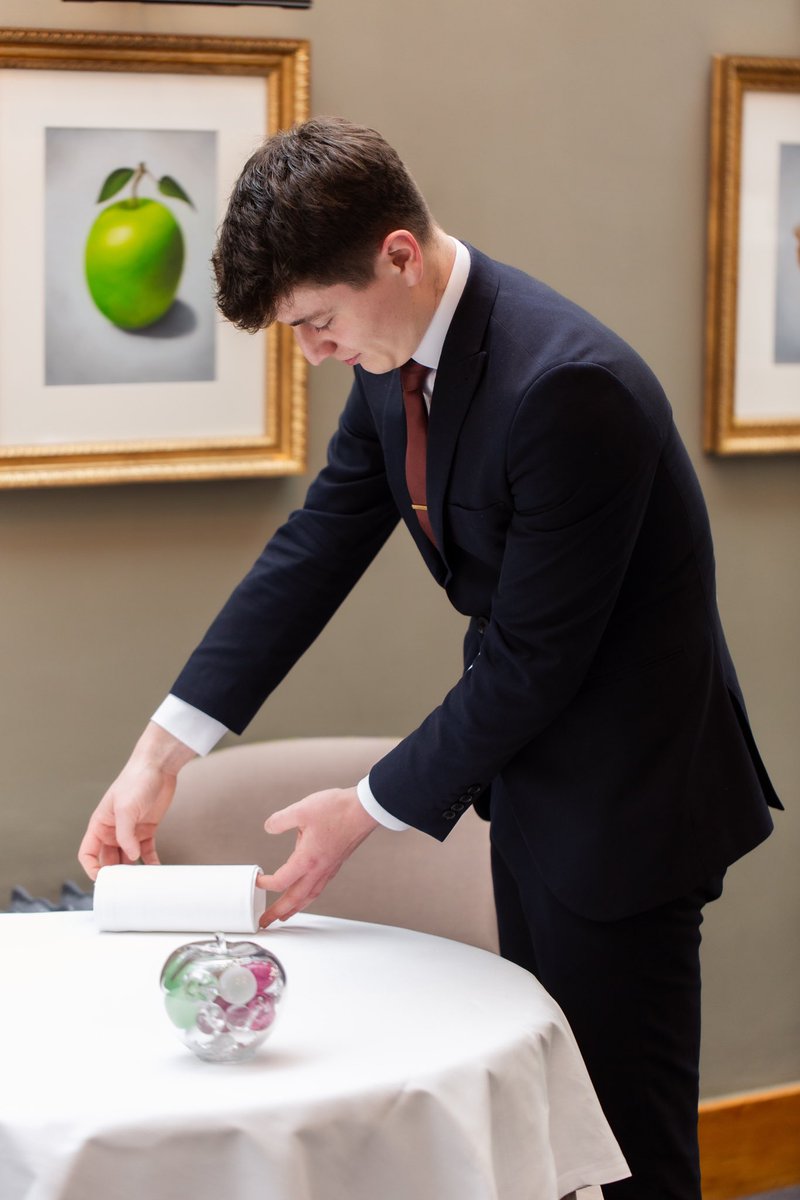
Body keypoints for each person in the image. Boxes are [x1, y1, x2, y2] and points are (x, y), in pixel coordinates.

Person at [78, 117, 781, 1198]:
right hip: (531, 785)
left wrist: (359, 809)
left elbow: (531, 659)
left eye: (315, 321)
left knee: (625, 1147)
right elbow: (313, 548)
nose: (311, 353)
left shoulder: (565, 387)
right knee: (546, 1141)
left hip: (629, 805)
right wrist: (161, 750)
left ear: (398, 255)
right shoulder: (391, 348)